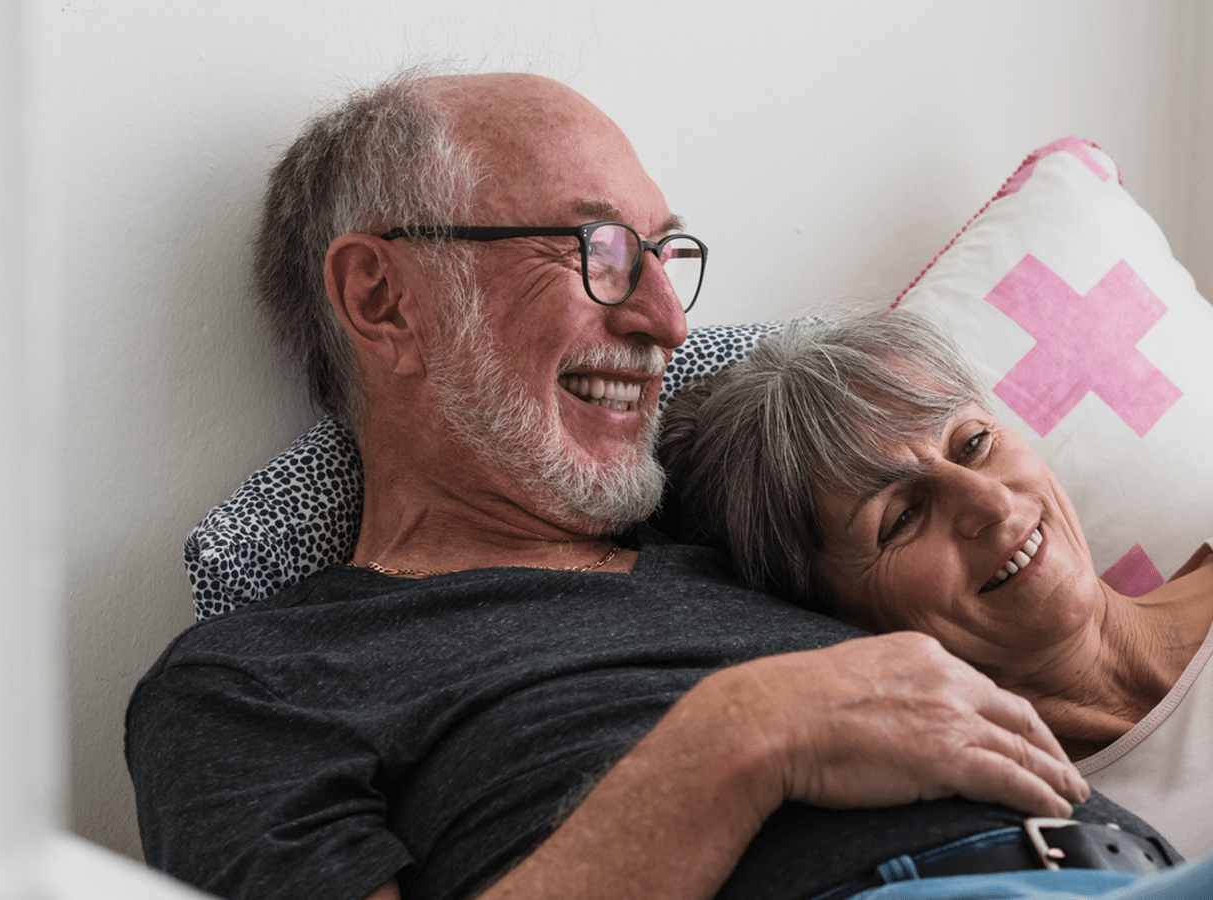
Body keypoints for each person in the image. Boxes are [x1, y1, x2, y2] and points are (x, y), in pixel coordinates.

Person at [125, 68, 1205, 900]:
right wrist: (735, 741)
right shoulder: (252, 682)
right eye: (597, 249)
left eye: (664, 251)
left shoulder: (736, 526)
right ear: (381, 298)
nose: (667, 322)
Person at [657, 308, 1213, 859]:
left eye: (973, 443)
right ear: (837, 620)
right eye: (902, 517)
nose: (991, 502)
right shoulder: (1003, 840)